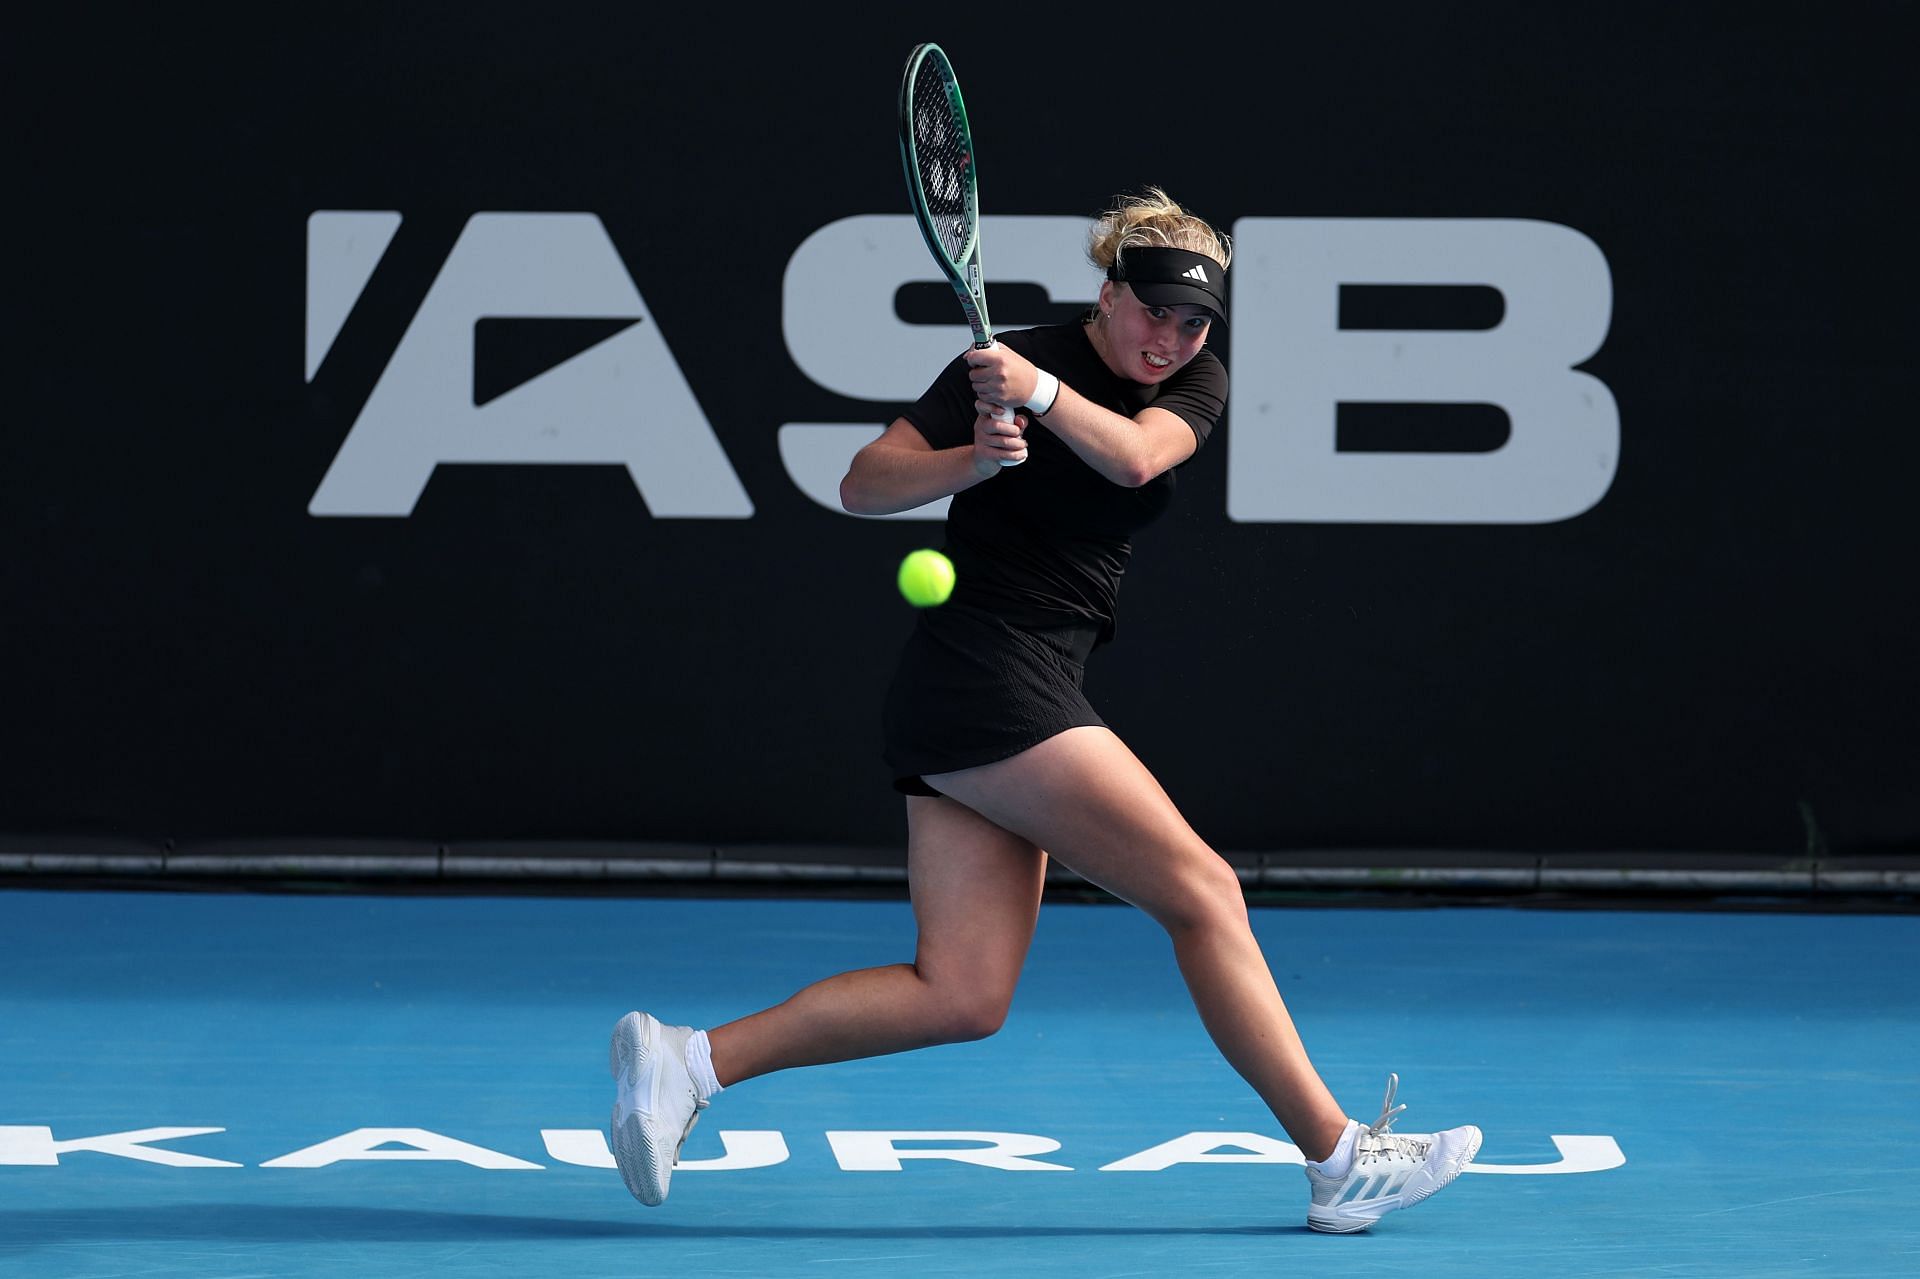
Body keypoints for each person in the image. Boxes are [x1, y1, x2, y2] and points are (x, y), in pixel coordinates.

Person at [610, 188, 1480, 1234]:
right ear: (1108, 293)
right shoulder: (1008, 356)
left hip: (1014, 681)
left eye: (1193, 321)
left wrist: (1046, 396)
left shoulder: (1177, 381)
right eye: (1153, 310)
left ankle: (689, 1062)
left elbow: (1138, 456)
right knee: (1203, 890)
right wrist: (972, 457)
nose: (1171, 337)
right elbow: (864, 482)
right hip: (986, 670)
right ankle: (1338, 1156)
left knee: (963, 993)